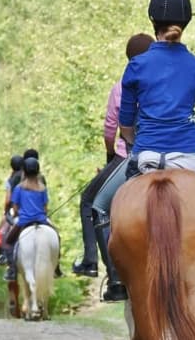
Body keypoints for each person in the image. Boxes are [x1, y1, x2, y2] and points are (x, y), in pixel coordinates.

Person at [91, 0, 195, 306]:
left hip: (146, 155)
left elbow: (125, 126)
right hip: (191, 157)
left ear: (153, 21)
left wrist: (138, 142)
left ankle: (115, 281)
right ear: (187, 21)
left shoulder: (136, 66)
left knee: (99, 206)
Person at [72, 33, 155, 279]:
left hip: (130, 157)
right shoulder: (164, 84)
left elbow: (110, 130)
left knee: (90, 201)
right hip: (171, 152)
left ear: (129, 58)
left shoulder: (121, 87)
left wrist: (111, 154)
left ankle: (100, 266)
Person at [3, 157, 62, 281]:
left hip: (23, 221)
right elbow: (45, 208)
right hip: (41, 220)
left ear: (24, 171)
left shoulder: (19, 188)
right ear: (37, 171)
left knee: (8, 242)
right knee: (57, 237)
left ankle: (11, 270)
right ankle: (56, 267)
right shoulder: (42, 188)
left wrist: (18, 214)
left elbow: (15, 206)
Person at [0, 155, 24, 266]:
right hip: (34, 210)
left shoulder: (11, 180)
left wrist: (6, 212)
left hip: (16, 210)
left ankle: (3, 256)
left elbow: (7, 201)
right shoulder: (31, 177)